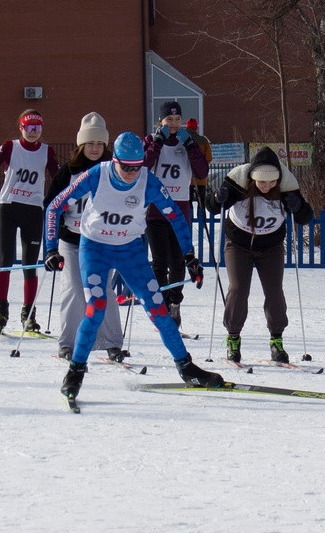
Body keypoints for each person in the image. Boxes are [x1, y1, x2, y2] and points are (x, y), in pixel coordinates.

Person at [45, 131, 224, 403]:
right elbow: (55, 206)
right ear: (115, 160)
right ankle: (75, 371)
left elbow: (175, 216)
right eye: (126, 167)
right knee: (96, 307)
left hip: (130, 249)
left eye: (137, 167)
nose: (131, 173)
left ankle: (186, 367)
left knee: (157, 308)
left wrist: (190, 256)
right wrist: (50, 248)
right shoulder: (97, 174)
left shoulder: (148, 181)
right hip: (95, 247)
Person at [212, 146, 314, 363]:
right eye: (261, 182)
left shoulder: (286, 186)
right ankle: (233, 338)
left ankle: (276, 340)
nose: (267, 186)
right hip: (238, 244)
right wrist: (217, 197)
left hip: (271, 247)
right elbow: (212, 207)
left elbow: (305, 217)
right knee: (238, 289)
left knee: (274, 292)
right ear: (253, 178)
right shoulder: (238, 182)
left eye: (271, 182)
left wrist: (299, 206)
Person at [44, 112, 126, 362]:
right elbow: (51, 206)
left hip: (102, 242)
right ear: (81, 144)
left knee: (104, 292)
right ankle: (68, 343)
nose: (94, 148)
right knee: (75, 291)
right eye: (90, 143)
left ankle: (111, 343)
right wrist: (51, 247)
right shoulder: (68, 172)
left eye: (99, 144)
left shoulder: (113, 170)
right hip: (71, 240)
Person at [0, 109, 58, 335]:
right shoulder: (10, 146)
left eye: (37, 128)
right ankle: (1, 309)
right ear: (21, 128)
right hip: (8, 207)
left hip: (33, 210)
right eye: (29, 127)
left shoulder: (47, 151)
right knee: (5, 261)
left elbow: (57, 177)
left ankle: (28, 313)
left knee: (30, 265)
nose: (33, 132)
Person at [141, 101, 208, 326]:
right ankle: (162, 305)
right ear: (160, 121)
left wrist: (190, 145)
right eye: (169, 120)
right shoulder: (152, 140)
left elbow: (201, 172)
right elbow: (142, 166)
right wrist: (158, 142)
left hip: (180, 209)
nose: (173, 124)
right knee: (160, 261)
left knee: (178, 261)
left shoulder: (187, 141)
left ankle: (174, 303)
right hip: (156, 210)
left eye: (177, 119)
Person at [185, 118, 213, 211]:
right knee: (201, 201)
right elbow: (209, 158)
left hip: (186, 178)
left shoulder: (182, 140)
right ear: (196, 128)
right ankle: (202, 218)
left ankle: (190, 218)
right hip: (201, 178)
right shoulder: (203, 141)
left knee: (187, 202)